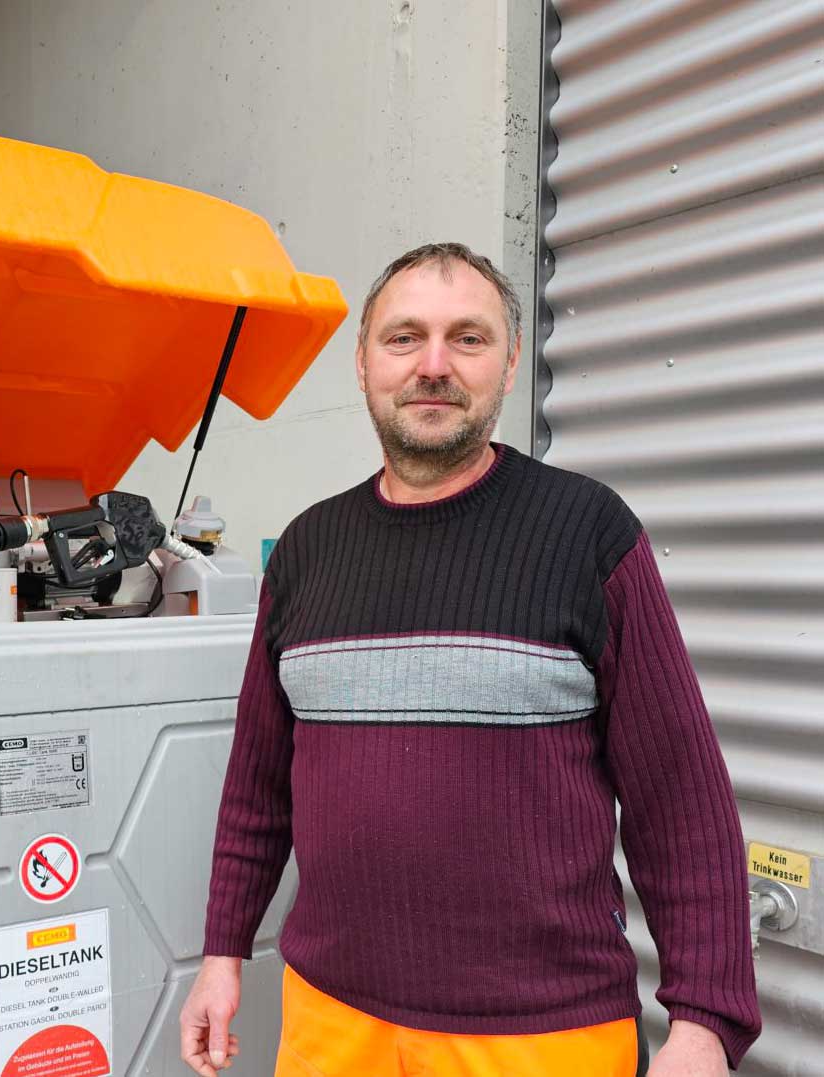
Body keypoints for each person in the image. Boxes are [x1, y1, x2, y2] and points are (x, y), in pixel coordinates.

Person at [179, 243, 760, 1077]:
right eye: (405, 337)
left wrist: (704, 1022)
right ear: (365, 362)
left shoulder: (588, 534)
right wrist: (222, 952)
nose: (434, 365)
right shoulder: (308, 549)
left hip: (540, 1036)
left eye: (469, 339)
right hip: (330, 1019)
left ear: (511, 360)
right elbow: (257, 785)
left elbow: (682, 799)